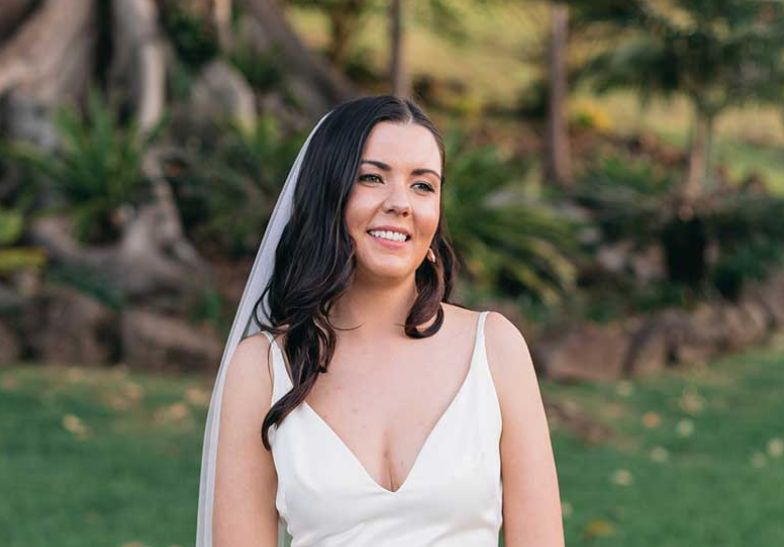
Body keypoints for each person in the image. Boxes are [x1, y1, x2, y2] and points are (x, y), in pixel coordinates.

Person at [196, 95, 564, 546]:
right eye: (372, 177)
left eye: (423, 185)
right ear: (328, 194)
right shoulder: (261, 369)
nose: (401, 204)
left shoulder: (495, 348)